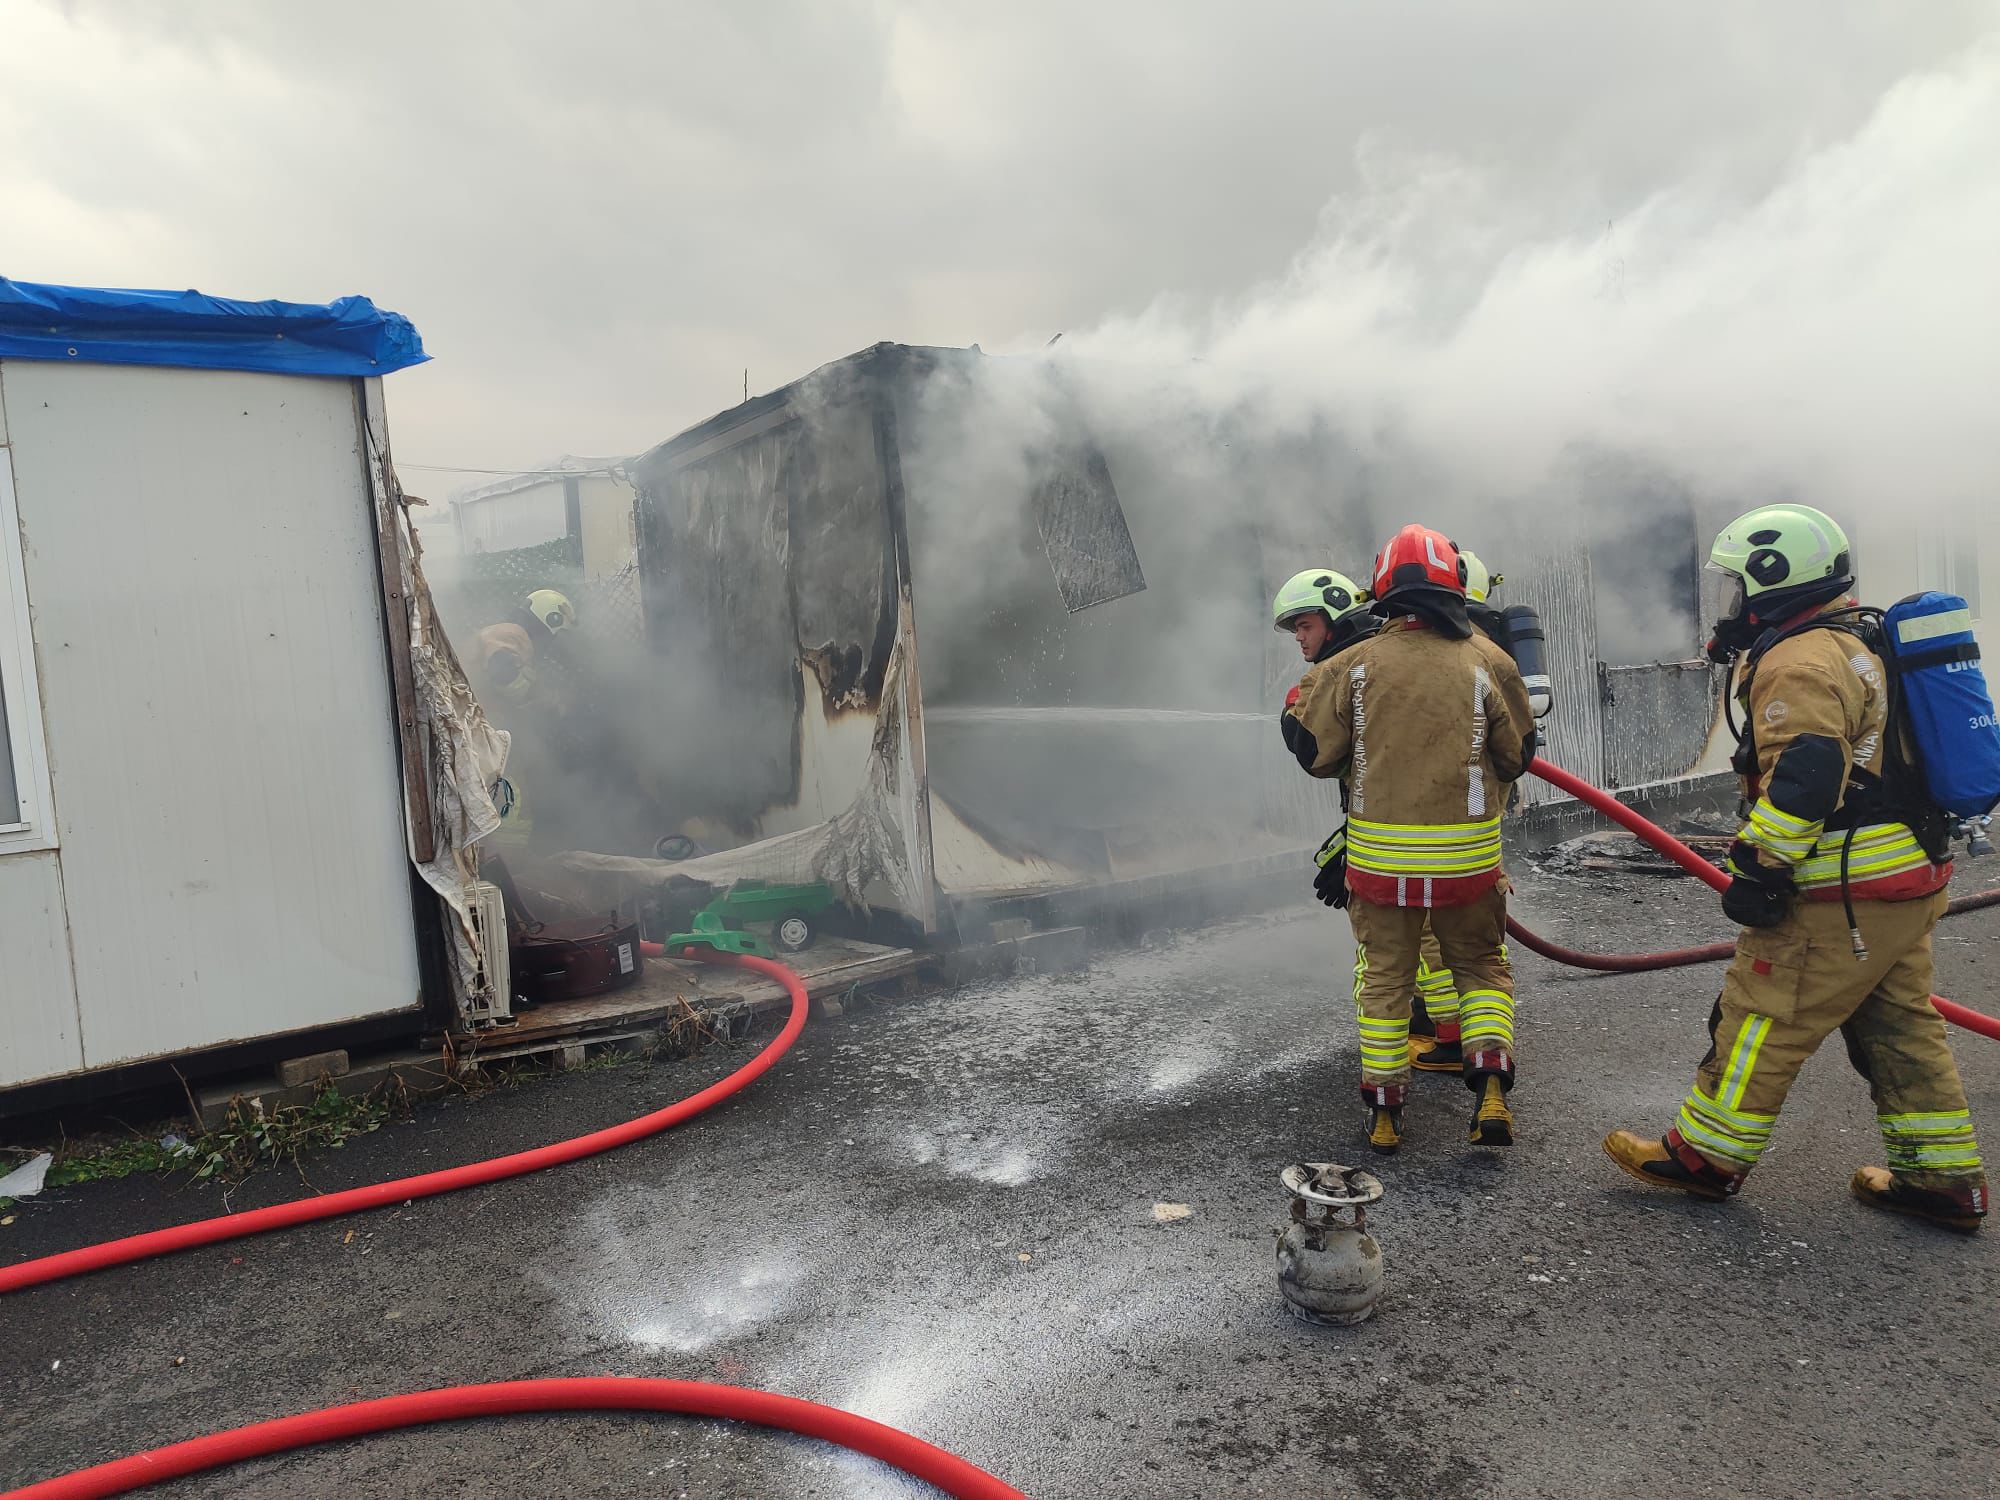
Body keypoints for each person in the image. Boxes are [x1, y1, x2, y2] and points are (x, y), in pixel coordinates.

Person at [1605, 504, 1986, 1231]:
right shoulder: (1859, 640)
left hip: (1843, 888)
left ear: (1774, 578)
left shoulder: (1799, 660)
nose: (1730, 602)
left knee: (1762, 1014)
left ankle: (1705, 1157)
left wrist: (1762, 866)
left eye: (1736, 584)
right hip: (1903, 878)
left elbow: (1807, 776)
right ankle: (1942, 1180)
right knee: (1899, 1027)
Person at [1284, 526, 1538, 1153]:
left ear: (1381, 592)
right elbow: (1518, 755)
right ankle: (1491, 1095)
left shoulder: (1350, 666)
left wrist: (1302, 708)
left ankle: (1385, 1116)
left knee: (1385, 980)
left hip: (1380, 865)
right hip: (1469, 863)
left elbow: (1316, 756)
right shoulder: (1490, 660)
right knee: (1480, 968)